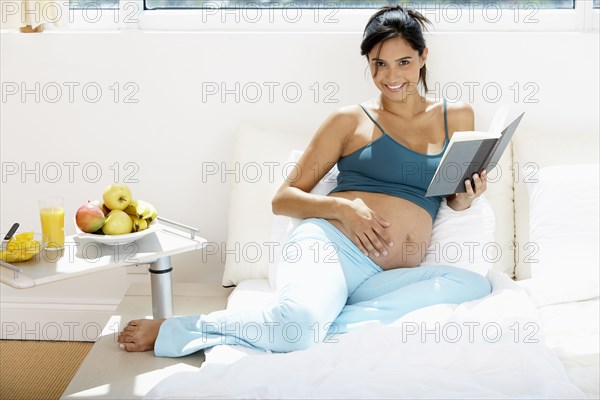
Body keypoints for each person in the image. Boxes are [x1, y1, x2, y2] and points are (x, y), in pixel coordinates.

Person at [118, 5, 492, 356]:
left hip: (386, 277)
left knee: (473, 284)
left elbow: (451, 199)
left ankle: (320, 322)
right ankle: (176, 329)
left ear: (423, 57)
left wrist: (467, 197)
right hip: (330, 249)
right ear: (368, 64)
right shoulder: (350, 121)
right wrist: (342, 208)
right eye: (379, 64)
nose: (391, 77)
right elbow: (283, 198)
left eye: (404, 62)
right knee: (297, 330)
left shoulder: (456, 116)